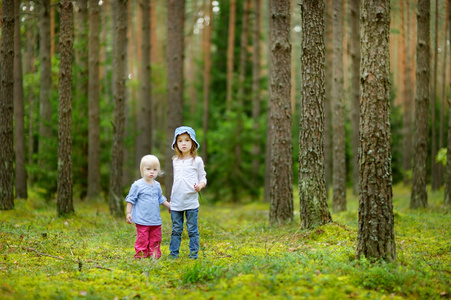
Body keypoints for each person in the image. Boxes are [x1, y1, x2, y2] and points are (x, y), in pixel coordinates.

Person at [169, 126, 207, 259]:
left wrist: (200, 186)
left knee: (192, 230)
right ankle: (173, 254)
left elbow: (203, 178)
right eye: (180, 141)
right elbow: (176, 182)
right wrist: (171, 201)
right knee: (176, 230)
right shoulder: (175, 161)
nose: (183, 143)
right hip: (176, 202)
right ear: (175, 144)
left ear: (193, 143)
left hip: (191, 202)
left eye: (187, 140)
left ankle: (193, 253)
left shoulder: (197, 161)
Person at [125, 155, 170, 259]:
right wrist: (128, 213)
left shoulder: (157, 185)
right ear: (142, 170)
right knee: (142, 239)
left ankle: (154, 255)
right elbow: (130, 200)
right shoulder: (137, 185)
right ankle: (141, 255)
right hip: (142, 219)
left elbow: (160, 198)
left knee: (156, 238)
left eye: (155, 169)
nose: (152, 172)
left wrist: (168, 205)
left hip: (155, 220)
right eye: (148, 169)